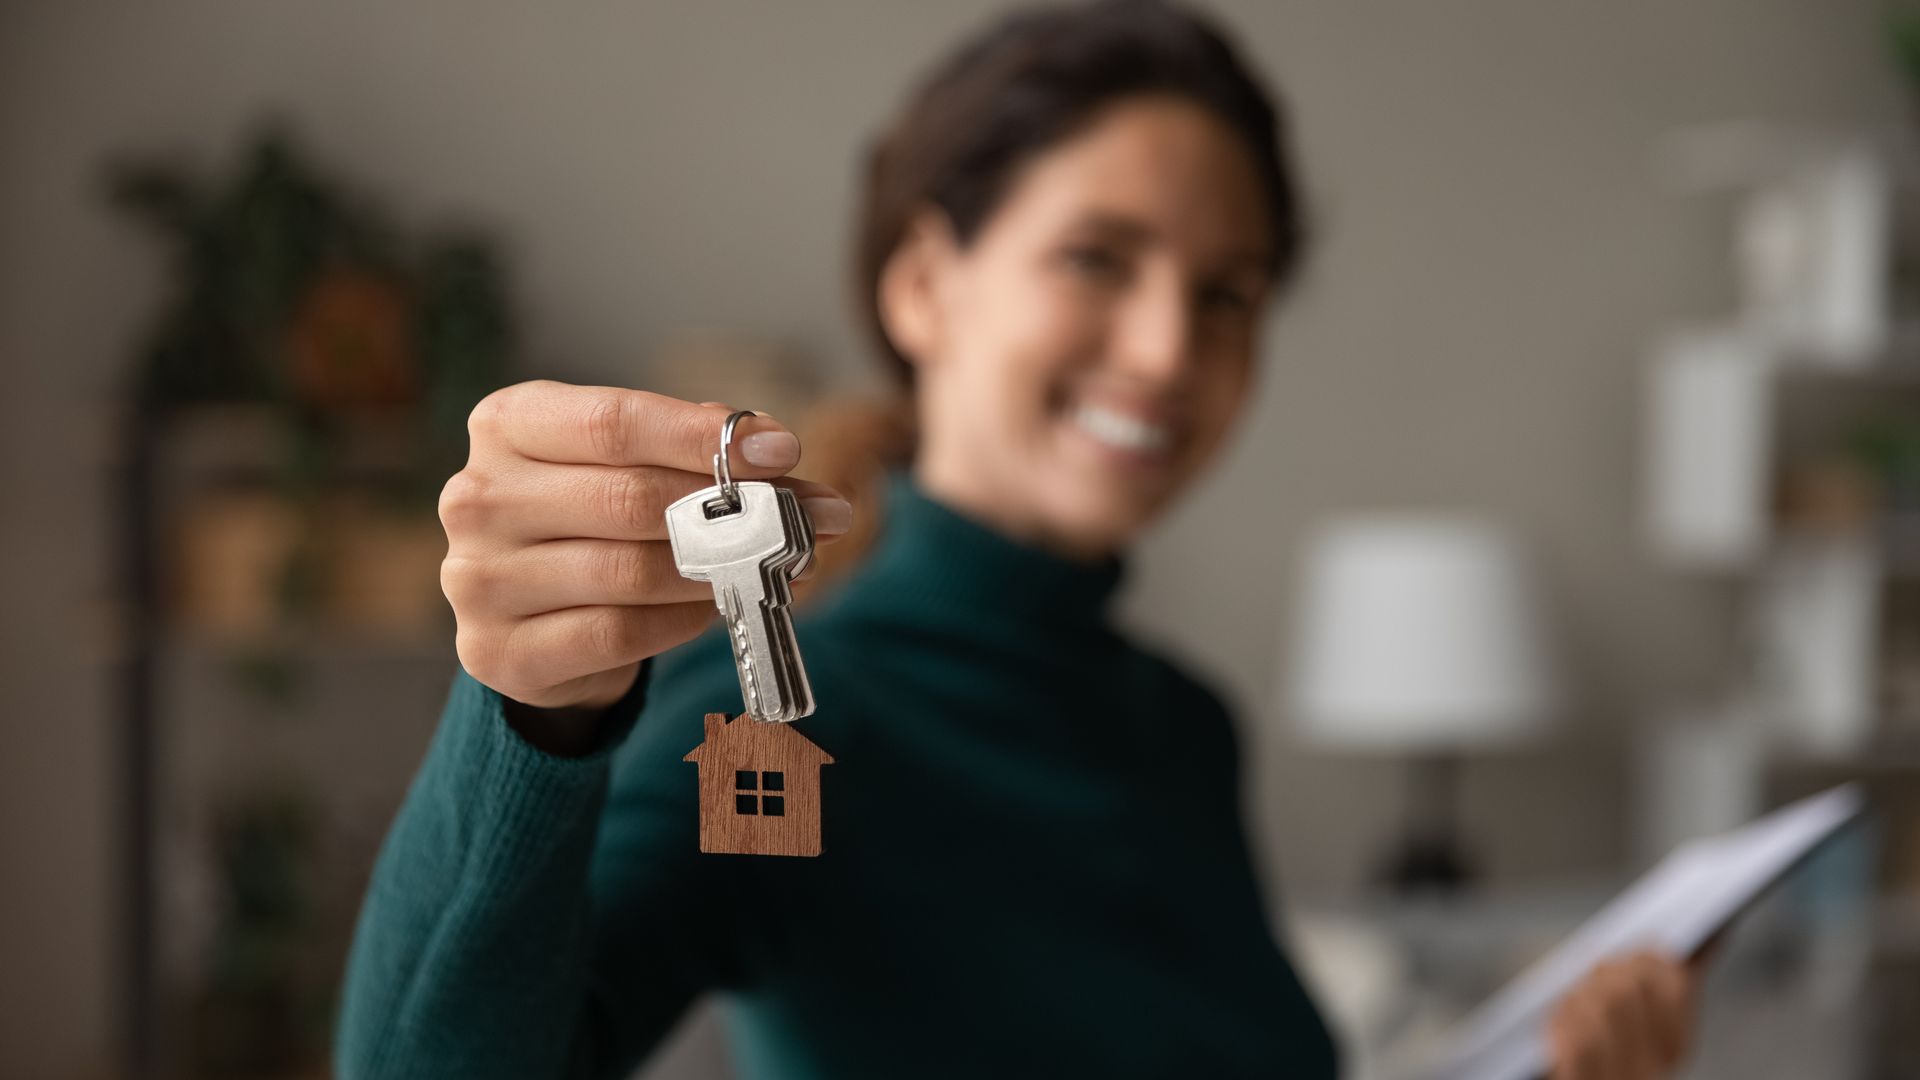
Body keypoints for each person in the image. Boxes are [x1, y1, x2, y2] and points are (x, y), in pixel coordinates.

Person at [337, 2, 1703, 1077]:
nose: (1170, 349)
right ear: (927, 285)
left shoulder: (1180, 727)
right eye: (1099, 258)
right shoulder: (782, 724)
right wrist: (535, 716)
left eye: (1226, 294)